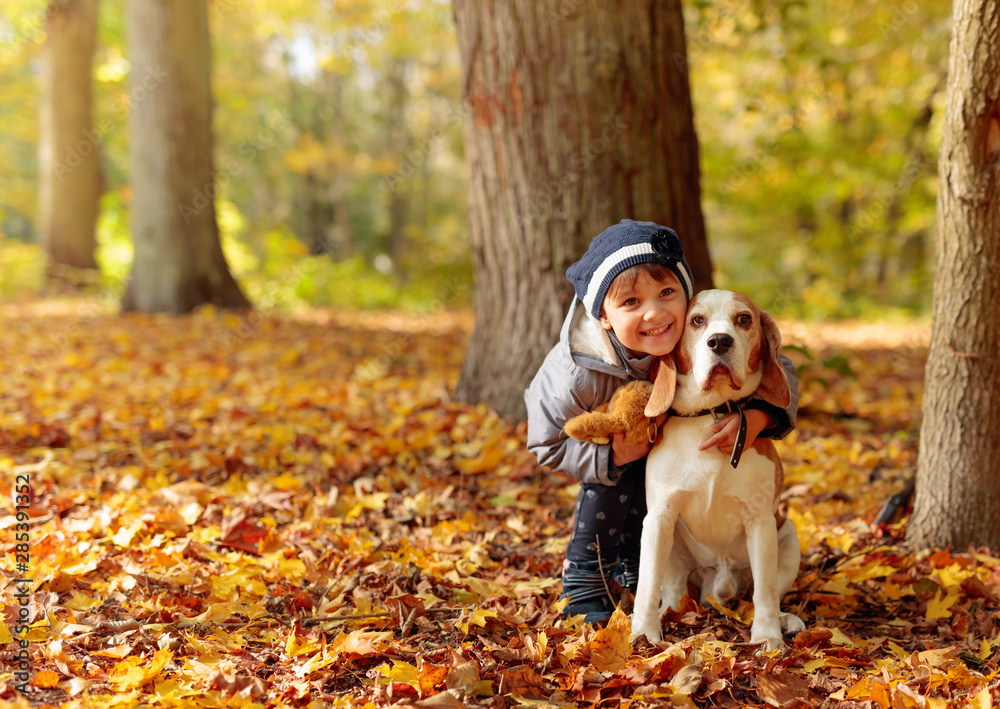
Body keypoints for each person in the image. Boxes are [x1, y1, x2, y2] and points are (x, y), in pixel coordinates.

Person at [524, 219, 799, 622]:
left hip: (662, 442)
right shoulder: (577, 369)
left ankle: (636, 569)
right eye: (631, 302)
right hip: (604, 453)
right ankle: (584, 573)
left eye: (667, 293)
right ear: (603, 315)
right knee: (618, 478)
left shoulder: (684, 334)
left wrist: (760, 415)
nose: (654, 313)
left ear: (685, 300)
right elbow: (545, 442)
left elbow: (778, 365)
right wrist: (611, 456)